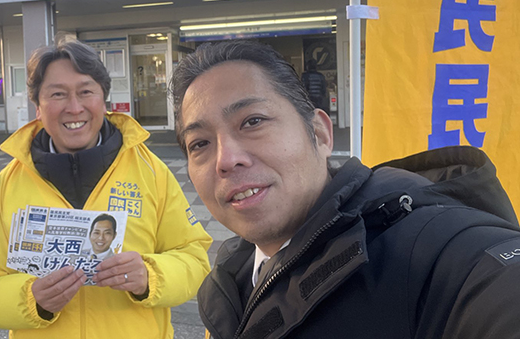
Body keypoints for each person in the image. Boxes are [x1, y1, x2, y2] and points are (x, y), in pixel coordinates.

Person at [169, 40, 520, 339]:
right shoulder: (235, 275)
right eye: (199, 143)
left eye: (253, 122)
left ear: (320, 134)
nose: (225, 160)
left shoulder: (436, 251)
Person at [0, 38, 212, 338]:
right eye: (57, 94)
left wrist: (150, 275)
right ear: (38, 107)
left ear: (103, 100)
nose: (74, 107)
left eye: (85, 91)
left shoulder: (150, 170)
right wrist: (32, 298)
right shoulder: (8, 183)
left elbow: (195, 258)